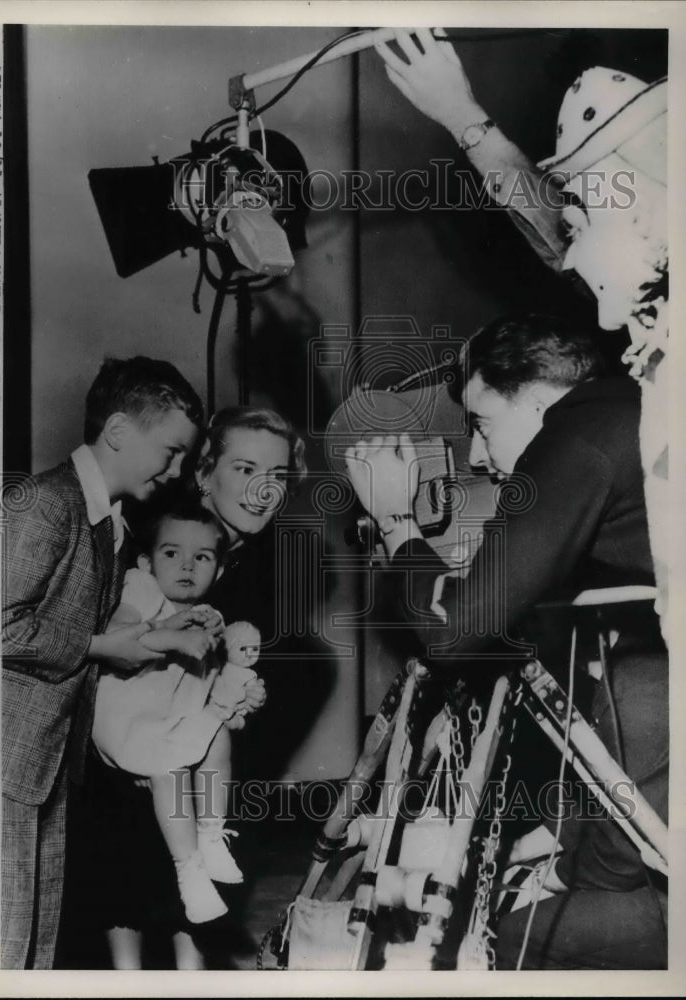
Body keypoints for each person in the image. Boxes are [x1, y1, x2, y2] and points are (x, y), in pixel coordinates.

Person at [345, 314, 667, 969]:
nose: (477, 456)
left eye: (483, 424)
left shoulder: (579, 430)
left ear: (542, 400)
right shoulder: (636, 414)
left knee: (496, 946)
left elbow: (452, 632)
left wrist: (397, 521)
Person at [375, 30, 670, 645]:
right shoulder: (651, 323)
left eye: (586, 221)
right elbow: (561, 237)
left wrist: (395, 519)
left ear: (644, 213)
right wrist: (463, 118)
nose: (571, 251)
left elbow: (454, 630)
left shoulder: (598, 426)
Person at [85, 406, 308, 969]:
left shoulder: (258, 565)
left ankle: (192, 958)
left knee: (208, 807)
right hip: (117, 733)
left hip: (191, 736)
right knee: (134, 838)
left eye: (278, 476)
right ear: (204, 474)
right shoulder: (152, 537)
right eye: (244, 468)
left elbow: (239, 667)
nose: (262, 490)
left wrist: (242, 698)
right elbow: (106, 642)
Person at [1, 356, 203, 968]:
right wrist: (98, 646)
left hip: (54, 762)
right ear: (117, 431)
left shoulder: (109, 523)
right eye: (169, 453)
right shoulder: (44, 502)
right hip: (6, 758)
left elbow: (94, 627)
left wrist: (157, 633)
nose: (174, 472)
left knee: (37, 943)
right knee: (4, 946)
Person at [92, 503, 255, 927]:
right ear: (147, 562)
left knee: (218, 734)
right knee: (173, 770)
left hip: (172, 718)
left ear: (218, 570)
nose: (187, 565)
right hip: (129, 717)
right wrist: (172, 635)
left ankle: (211, 832)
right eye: (171, 554)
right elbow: (115, 636)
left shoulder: (212, 617)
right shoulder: (143, 590)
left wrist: (237, 694)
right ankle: (190, 869)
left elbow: (206, 679)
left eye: (202, 557)